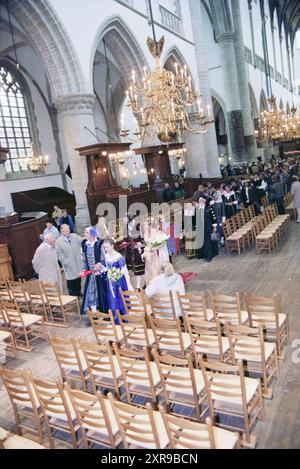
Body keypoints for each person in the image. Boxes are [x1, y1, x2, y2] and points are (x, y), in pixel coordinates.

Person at [102, 238, 133, 324]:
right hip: (110, 281)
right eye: (104, 248)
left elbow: (123, 269)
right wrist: (101, 270)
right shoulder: (106, 256)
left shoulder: (119, 257)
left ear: (112, 246)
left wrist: (116, 275)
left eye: (107, 247)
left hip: (119, 281)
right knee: (112, 298)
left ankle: (124, 318)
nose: (106, 249)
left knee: (120, 298)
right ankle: (116, 318)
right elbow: (108, 268)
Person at [81, 226, 108, 317]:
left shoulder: (98, 244)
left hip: (99, 273)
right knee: (90, 292)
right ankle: (94, 311)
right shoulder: (85, 244)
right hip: (90, 273)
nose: (84, 234)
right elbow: (84, 258)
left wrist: (99, 265)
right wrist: (85, 269)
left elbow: (104, 259)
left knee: (100, 292)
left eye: (86, 232)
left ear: (92, 234)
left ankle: (101, 311)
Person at [55, 224, 83, 297]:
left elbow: (82, 240)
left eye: (68, 230)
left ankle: (78, 292)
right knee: (71, 281)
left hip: (77, 262)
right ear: (61, 231)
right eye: (66, 231)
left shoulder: (74, 236)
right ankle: (72, 295)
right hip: (68, 264)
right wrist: (65, 262)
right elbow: (59, 254)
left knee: (78, 279)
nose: (68, 232)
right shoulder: (58, 241)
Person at [195, 197, 218, 262]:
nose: (201, 201)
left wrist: (214, 226)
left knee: (208, 242)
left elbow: (213, 217)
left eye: (202, 200)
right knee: (204, 242)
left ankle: (209, 256)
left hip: (208, 227)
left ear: (204, 201)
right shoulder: (197, 209)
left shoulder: (209, 208)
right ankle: (205, 255)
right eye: (199, 200)